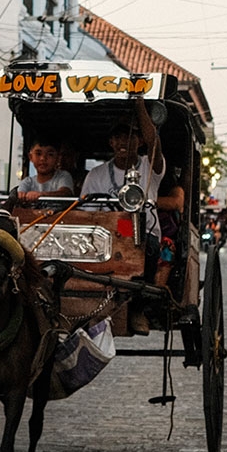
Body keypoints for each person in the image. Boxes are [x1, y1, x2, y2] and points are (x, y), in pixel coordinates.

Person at [81, 98, 164, 332]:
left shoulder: (150, 167)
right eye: (118, 136)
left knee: (146, 247)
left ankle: (138, 307)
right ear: (110, 141)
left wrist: (140, 106)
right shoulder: (96, 175)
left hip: (141, 234)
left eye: (129, 136)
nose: (123, 142)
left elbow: (154, 143)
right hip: (106, 235)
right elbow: (88, 215)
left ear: (139, 141)